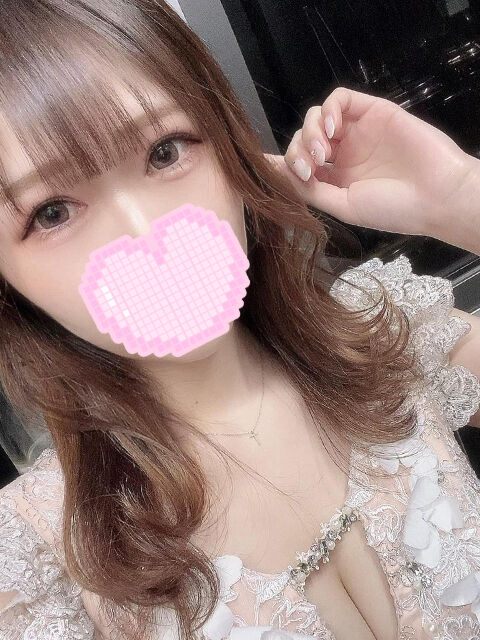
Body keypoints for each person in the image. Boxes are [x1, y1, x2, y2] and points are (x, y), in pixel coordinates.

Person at [0, 3, 479, 640]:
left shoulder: (383, 327)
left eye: (165, 151)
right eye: (53, 213)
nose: (147, 234)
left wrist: (460, 198)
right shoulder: (38, 557)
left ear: (227, 142)